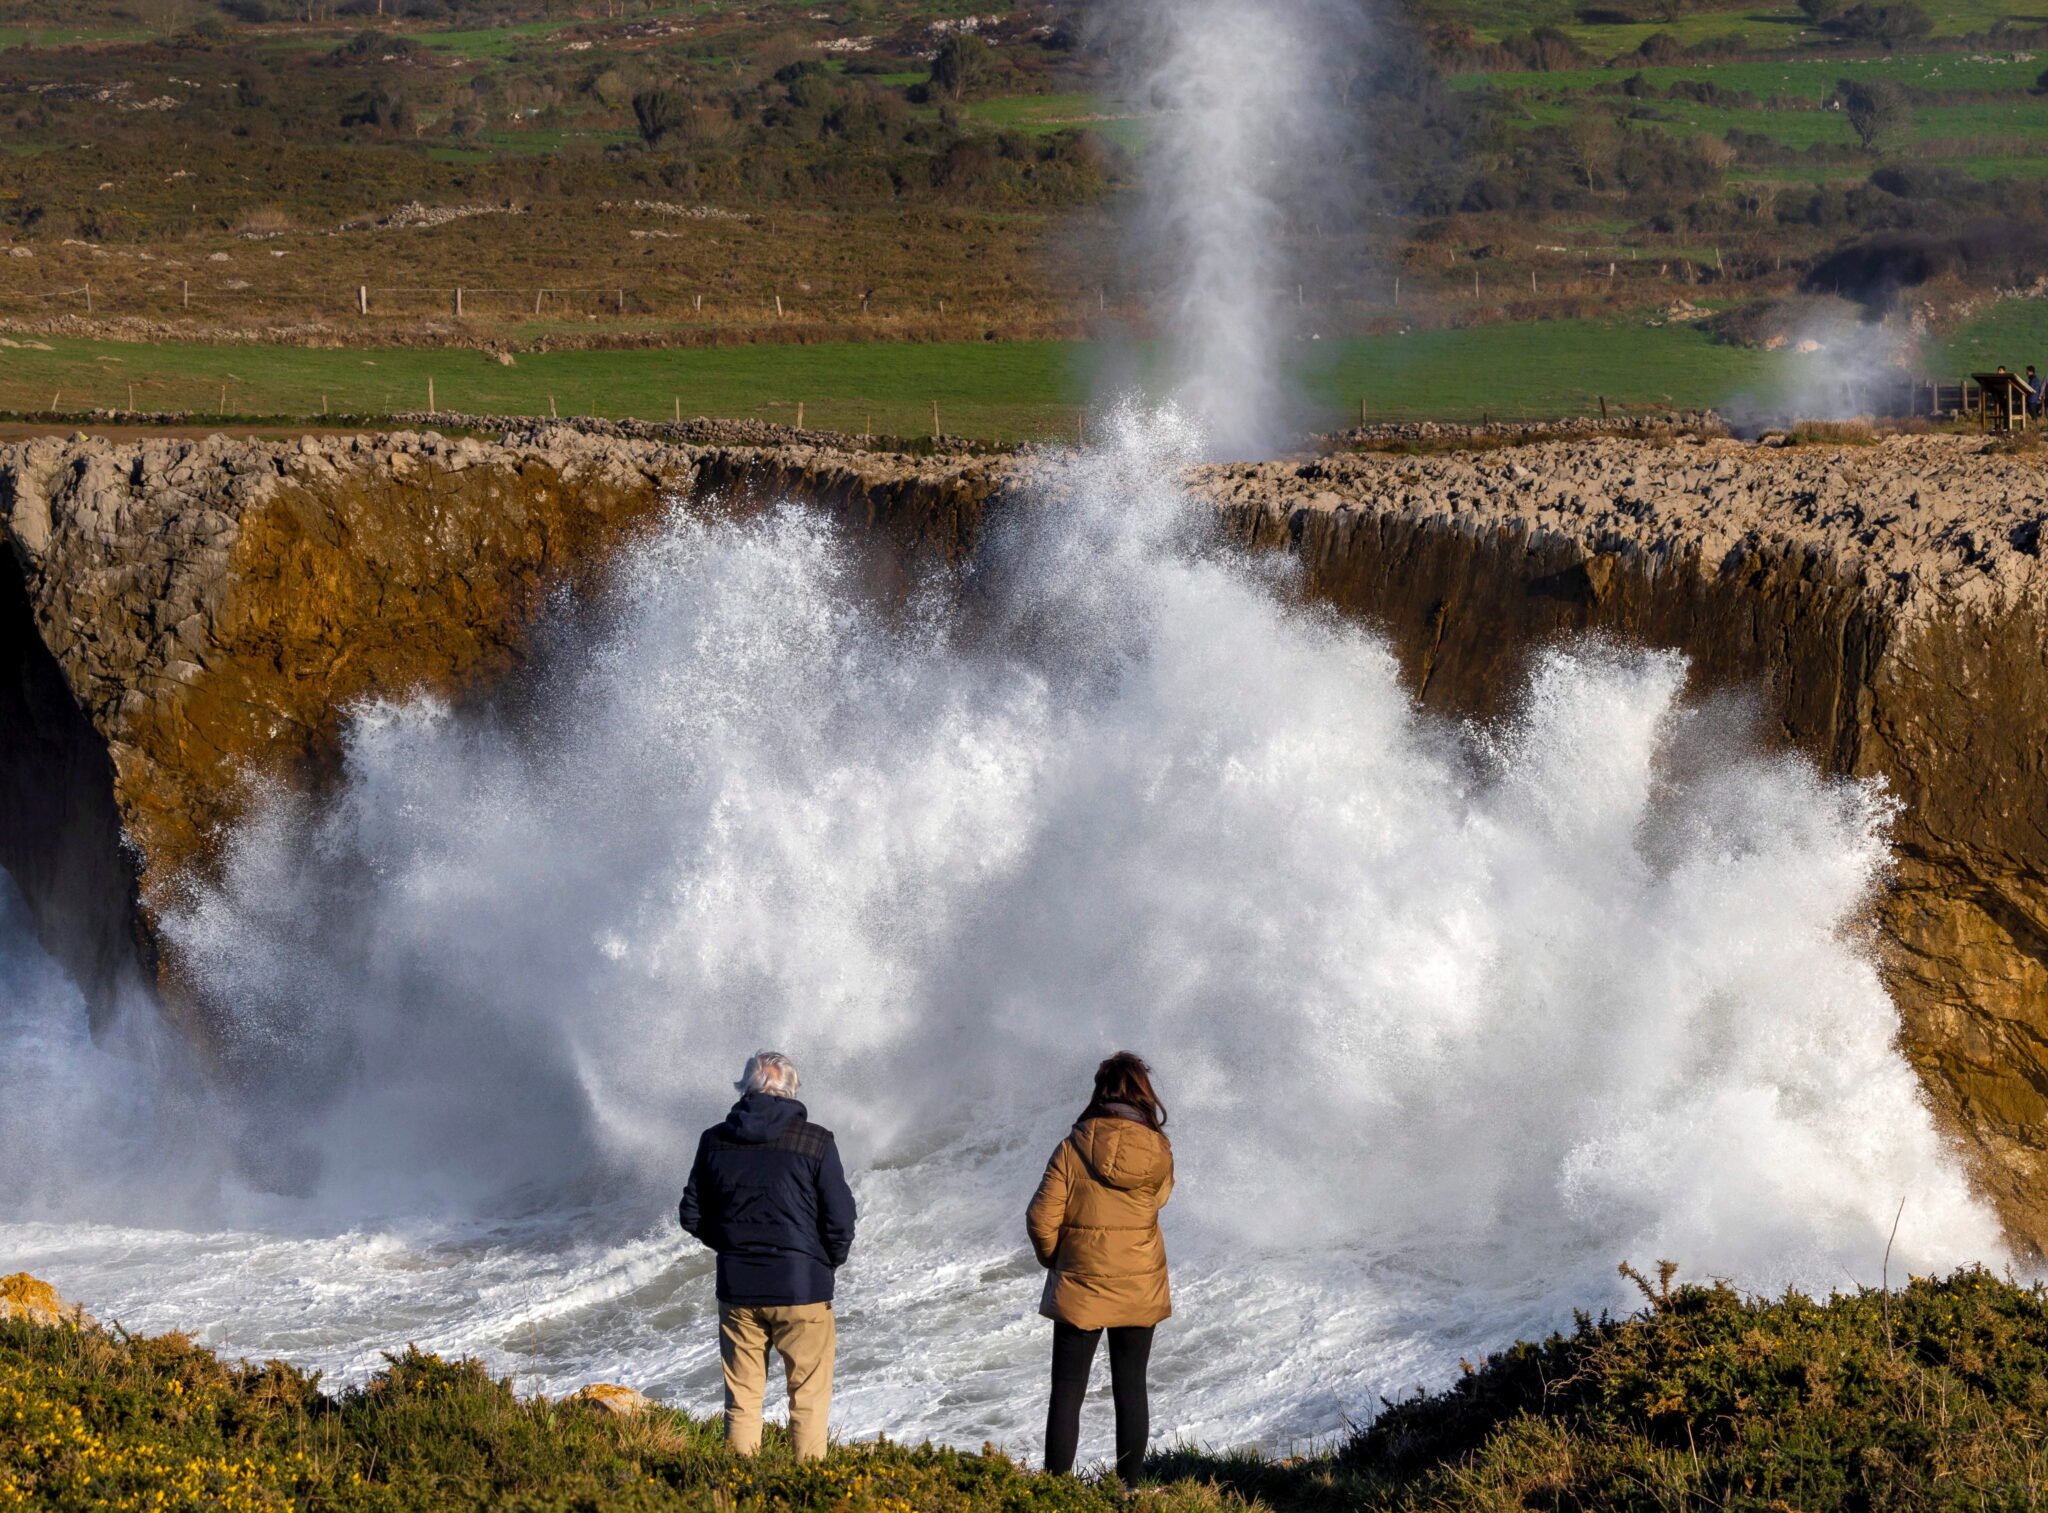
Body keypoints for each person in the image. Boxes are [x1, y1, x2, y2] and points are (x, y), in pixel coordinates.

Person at [679, 1050, 856, 1462]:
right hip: (803, 1287)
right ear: (792, 1090)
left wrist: (734, 1246)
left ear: (745, 1089)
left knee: (743, 1400)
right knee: (808, 1398)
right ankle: (811, 1493)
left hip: (739, 1288)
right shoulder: (816, 1141)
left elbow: (692, 1214)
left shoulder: (714, 1139)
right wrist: (823, 1262)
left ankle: (739, 1491)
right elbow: (841, 1219)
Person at [1026, 1051, 1174, 1490]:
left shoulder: (1073, 1146)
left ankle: (1056, 1491)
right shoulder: (1159, 1150)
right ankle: (1128, 1490)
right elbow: (1160, 1199)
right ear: (1143, 1094)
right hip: (1139, 1281)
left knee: (1068, 1391)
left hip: (1081, 1283)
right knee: (1131, 1389)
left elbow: (1040, 1217)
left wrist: (1058, 1258)